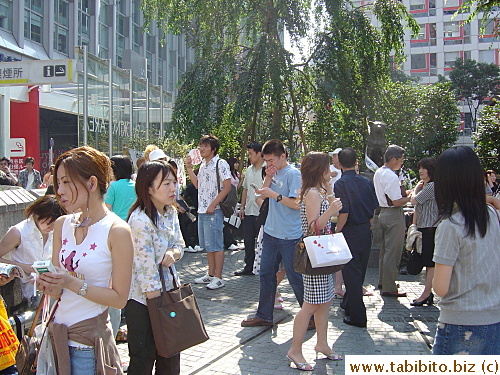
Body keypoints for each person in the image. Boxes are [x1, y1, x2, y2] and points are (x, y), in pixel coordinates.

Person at [36, 146, 134, 374]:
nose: (59, 191)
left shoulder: (117, 230)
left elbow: (119, 299)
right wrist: (47, 284)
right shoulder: (62, 224)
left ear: (91, 183)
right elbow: (57, 290)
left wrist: (70, 283)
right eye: (57, 183)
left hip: (87, 347)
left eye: (66, 182)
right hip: (55, 339)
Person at [432, 146, 500, 355]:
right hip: (493, 320)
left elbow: (441, 288)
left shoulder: (450, 226)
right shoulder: (490, 215)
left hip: (459, 324)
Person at [126, 161, 184, 374]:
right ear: (148, 188)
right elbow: (146, 269)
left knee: (170, 355)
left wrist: (173, 254)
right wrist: (158, 307)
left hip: (168, 294)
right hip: (144, 301)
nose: (172, 188)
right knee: (143, 357)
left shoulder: (171, 212)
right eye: (165, 183)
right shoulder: (139, 220)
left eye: (173, 182)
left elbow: (180, 244)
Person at [286, 152, 343, 371]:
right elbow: (312, 227)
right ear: (319, 170)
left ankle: (322, 344)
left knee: (325, 302)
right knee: (310, 305)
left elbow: (333, 219)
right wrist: (330, 209)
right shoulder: (312, 193)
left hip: (323, 254)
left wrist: (329, 194)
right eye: (327, 167)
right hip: (314, 254)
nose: (331, 171)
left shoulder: (318, 191)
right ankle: (295, 349)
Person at [241, 139, 305, 327]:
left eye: (271, 160)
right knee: (266, 274)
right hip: (270, 232)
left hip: (289, 235)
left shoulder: (294, 174)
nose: (269, 164)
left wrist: (274, 194)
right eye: (266, 160)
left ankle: (310, 316)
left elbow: (296, 204)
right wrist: (268, 178)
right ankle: (264, 315)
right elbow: (260, 195)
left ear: (283, 156)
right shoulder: (271, 172)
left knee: (295, 277)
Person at [334, 148, 378, 328]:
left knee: (350, 273)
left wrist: (337, 231)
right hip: (365, 230)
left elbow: (343, 213)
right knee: (359, 272)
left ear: (340, 164)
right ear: (356, 162)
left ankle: (358, 316)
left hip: (349, 231)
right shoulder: (367, 182)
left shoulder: (340, 184)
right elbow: (373, 209)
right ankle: (349, 305)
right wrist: (368, 224)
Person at [185, 135, 231, 290]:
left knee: (217, 245)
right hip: (203, 210)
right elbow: (198, 185)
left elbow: (227, 187)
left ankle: (219, 277)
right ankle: (210, 274)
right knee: (208, 245)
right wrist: (189, 168)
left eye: (205, 146)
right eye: (200, 146)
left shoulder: (220, 163)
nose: (201, 149)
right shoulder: (204, 165)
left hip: (214, 210)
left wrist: (213, 205)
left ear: (213, 148)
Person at [0, 195, 64, 302]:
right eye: (48, 224)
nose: (50, 228)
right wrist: (24, 267)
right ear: (37, 214)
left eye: (54, 225)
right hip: (27, 289)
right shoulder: (18, 232)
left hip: (49, 286)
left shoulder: (54, 232)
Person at [373, 145, 410, 297]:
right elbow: (397, 201)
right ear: (393, 159)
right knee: (393, 252)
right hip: (393, 214)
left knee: (385, 250)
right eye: (400, 160)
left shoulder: (379, 172)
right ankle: (389, 286)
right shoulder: (391, 176)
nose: (401, 163)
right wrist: (410, 198)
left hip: (383, 213)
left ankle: (384, 280)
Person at [409, 157, 438, 307]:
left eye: (424, 168)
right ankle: (428, 293)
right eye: (420, 168)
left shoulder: (432, 186)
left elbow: (414, 201)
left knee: (429, 262)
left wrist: (415, 190)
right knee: (427, 261)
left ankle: (426, 293)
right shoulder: (427, 186)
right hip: (424, 228)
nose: (420, 171)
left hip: (430, 228)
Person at [235, 142, 265, 276]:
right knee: (248, 240)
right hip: (249, 211)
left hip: (262, 212)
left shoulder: (267, 169)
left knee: (262, 241)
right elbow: (245, 190)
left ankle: (263, 267)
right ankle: (249, 267)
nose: (249, 157)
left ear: (259, 154)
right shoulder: (248, 170)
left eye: (251, 154)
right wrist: (242, 207)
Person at [105, 155, 137, 221]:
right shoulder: (136, 186)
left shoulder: (112, 187)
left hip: (117, 224)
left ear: (115, 170)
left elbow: (106, 209)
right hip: (134, 221)